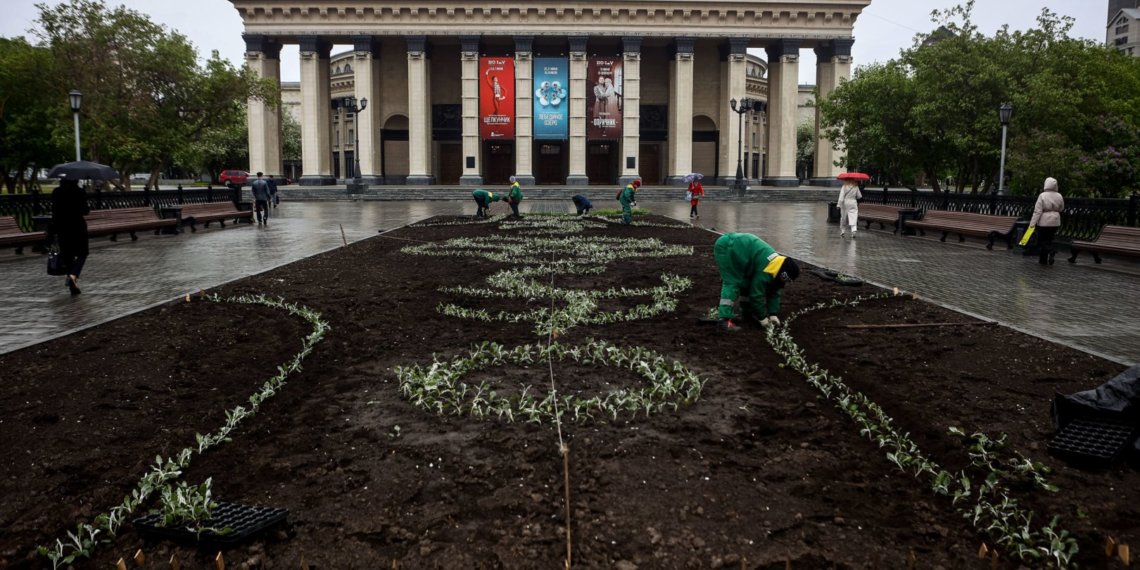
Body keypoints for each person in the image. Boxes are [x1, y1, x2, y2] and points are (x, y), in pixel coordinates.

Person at [713, 233, 800, 333]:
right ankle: (724, 321)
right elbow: (756, 295)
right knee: (732, 282)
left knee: (746, 283)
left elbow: (774, 290)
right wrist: (762, 318)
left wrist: (773, 314)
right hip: (727, 247)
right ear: (783, 274)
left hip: (742, 252)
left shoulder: (777, 266)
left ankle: (747, 314)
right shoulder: (766, 270)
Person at [51, 179, 90, 296]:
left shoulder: (56, 192)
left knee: (68, 255)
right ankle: (73, 275)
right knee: (83, 253)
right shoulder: (79, 192)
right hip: (78, 226)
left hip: (62, 227)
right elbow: (85, 211)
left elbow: (54, 210)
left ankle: (72, 283)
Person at [1029, 177, 1065, 266]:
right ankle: (1044, 259)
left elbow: (1038, 211)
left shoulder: (1042, 195)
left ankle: (1050, 252)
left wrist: (1032, 223)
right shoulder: (1059, 195)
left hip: (1044, 221)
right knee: (1049, 239)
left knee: (1042, 240)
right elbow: (1062, 208)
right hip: (1056, 221)